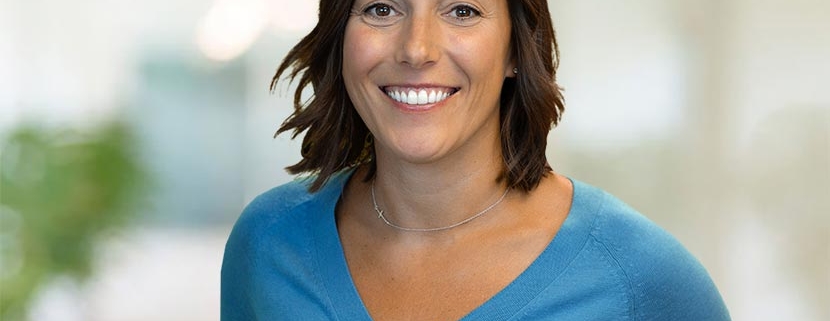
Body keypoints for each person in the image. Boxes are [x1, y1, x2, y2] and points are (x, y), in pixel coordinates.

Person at [221, 0, 731, 319]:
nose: (416, 49)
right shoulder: (268, 246)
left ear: (515, 49)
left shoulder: (641, 277)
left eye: (461, 10)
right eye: (380, 8)